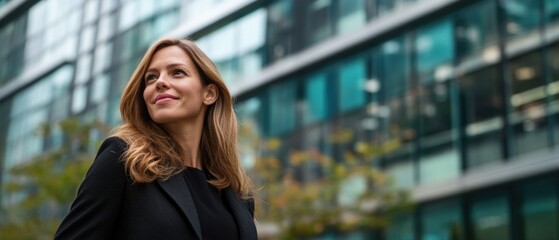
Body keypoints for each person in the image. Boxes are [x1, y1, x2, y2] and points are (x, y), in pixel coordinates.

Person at [54, 38, 257, 240]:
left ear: (209, 94)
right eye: (151, 78)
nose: (159, 82)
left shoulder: (239, 196)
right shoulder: (123, 159)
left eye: (177, 72)